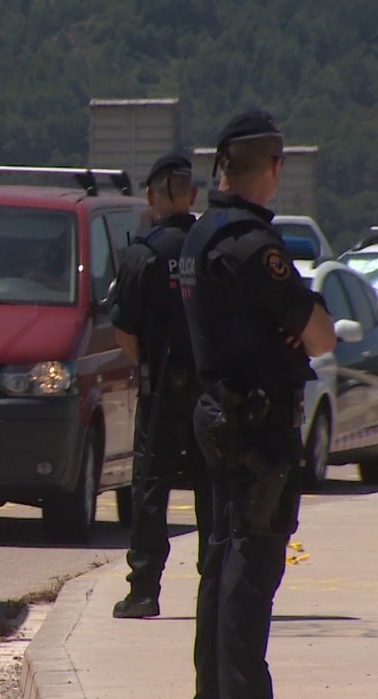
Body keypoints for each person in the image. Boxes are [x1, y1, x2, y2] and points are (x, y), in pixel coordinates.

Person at [179, 109, 336, 699]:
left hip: (218, 415)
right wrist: (294, 324)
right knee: (250, 578)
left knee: (220, 570)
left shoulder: (200, 235)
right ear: (273, 168)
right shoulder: (254, 246)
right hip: (257, 429)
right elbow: (320, 335)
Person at [108, 152, 209, 619]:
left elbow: (124, 330)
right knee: (213, 488)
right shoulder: (212, 249)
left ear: (150, 196)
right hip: (212, 391)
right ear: (191, 196)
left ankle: (144, 591)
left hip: (161, 390)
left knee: (151, 491)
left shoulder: (142, 255)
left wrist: (148, 364)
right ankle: (216, 585)